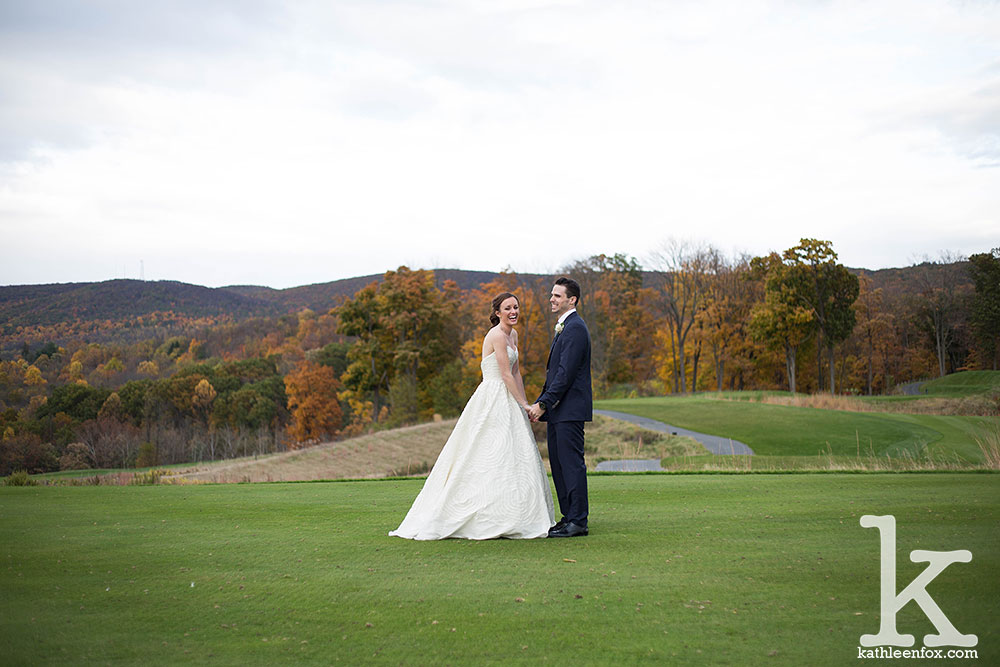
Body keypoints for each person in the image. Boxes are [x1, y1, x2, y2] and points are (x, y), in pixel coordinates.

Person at [389, 293, 554, 540]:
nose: (513, 312)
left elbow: (516, 372)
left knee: (513, 453)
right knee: (486, 450)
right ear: (497, 312)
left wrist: (526, 403)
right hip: (493, 396)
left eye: (516, 307)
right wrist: (522, 403)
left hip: (509, 397)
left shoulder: (514, 335)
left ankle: (514, 513)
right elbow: (504, 374)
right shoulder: (496, 335)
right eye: (507, 308)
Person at [527, 277, 592, 538]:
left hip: (569, 410)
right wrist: (542, 401)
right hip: (559, 411)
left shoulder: (575, 328)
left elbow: (564, 375)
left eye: (557, 295)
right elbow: (554, 374)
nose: (551, 299)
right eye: (552, 295)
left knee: (571, 465)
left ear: (571, 299)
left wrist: (543, 403)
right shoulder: (565, 327)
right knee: (560, 464)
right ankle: (569, 518)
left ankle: (578, 521)